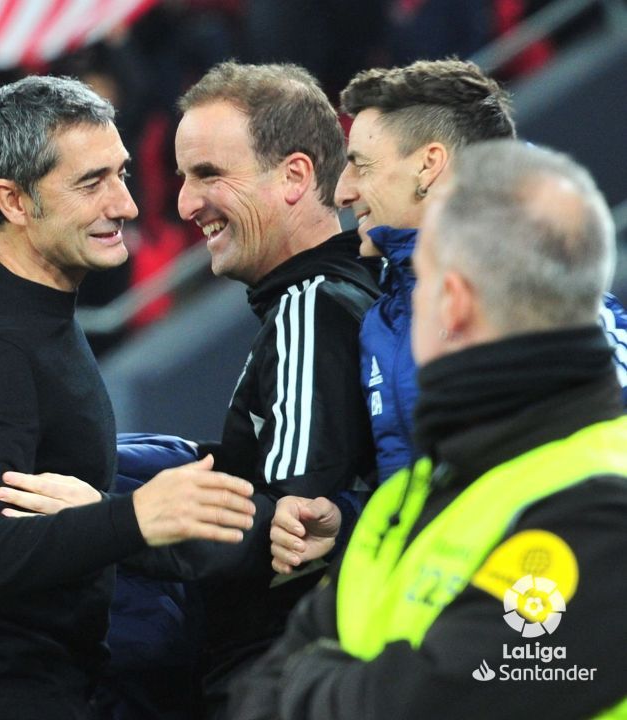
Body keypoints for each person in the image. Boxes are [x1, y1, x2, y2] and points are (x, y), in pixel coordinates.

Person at [1, 62, 380, 718]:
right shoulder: (345, 298)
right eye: (181, 176)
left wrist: (104, 518)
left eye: (209, 174)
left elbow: (288, 542)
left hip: (276, 682)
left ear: (294, 177)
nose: (183, 203)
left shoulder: (310, 310)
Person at [0, 74, 257, 720]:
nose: (125, 205)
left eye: (120, 174)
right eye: (90, 184)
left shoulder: (19, 301)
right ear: (14, 200)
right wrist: (135, 518)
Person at [233, 139, 627, 719]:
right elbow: (251, 697)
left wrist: (312, 681)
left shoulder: (602, 510)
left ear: (453, 304)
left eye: (411, 288)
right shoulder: (403, 497)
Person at [334, 58, 627, 486]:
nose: (343, 191)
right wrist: (343, 523)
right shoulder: (384, 320)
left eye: (361, 164)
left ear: (428, 164)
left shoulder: (540, 290)